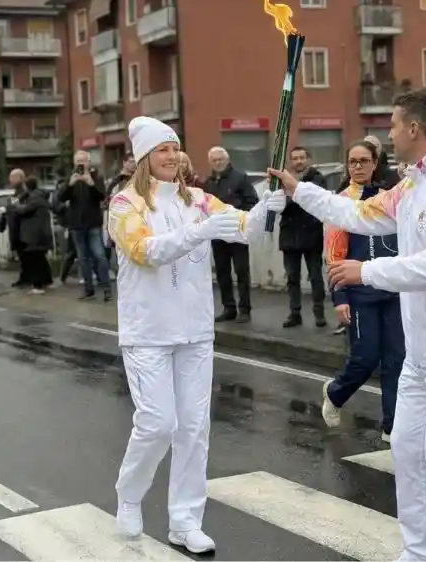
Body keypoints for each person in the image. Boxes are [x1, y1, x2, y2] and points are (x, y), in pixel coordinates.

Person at [268, 88, 426, 562]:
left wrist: (366, 272)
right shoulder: (412, 184)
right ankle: (422, 552)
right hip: (425, 353)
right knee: (407, 449)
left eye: (394, 125)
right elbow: (357, 214)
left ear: (415, 129)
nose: (390, 133)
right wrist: (301, 190)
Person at [108, 116, 284, 554]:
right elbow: (145, 251)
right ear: (144, 158)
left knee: (193, 427)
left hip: (194, 330)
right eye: (162, 150)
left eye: (175, 148)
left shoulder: (200, 200)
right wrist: (199, 232)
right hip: (147, 331)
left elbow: (245, 229)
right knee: (157, 423)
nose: (172, 156)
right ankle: (129, 495)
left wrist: (268, 210)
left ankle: (185, 521)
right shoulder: (124, 204)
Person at [321, 141, 404, 442]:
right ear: (347, 165)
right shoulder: (340, 203)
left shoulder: (387, 198)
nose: (358, 167)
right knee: (366, 358)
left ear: (374, 163)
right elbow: (333, 256)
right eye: (353, 161)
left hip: (391, 290)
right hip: (359, 294)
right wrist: (340, 297)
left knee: (397, 359)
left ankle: (391, 425)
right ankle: (335, 392)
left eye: (364, 161)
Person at [203, 147, 260, 322]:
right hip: (218, 234)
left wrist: (237, 214)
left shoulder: (240, 178)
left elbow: (253, 202)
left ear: (227, 160)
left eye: (220, 159)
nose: (217, 163)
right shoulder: (209, 183)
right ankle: (229, 307)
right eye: (214, 160)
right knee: (222, 272)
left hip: (237, 233)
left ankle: (245, 309)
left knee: (242, 271)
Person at [279, 146, 327, 328]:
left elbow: (317, 201)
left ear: (308, 159)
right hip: (289, 235)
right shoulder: (283, 180)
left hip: (311, 233)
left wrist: (293, 198)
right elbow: (278, 203)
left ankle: (319, 313)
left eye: (302, 157)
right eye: (295, 158)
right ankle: (295, 313)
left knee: (315, 276)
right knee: (292, 277)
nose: (299, 161)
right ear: (291, 161)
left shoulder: (317, 178)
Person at [59, 151, 112, 301]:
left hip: (93, 223)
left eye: (83, 161)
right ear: (74, 163)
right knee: (83, 259)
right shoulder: (71, 177)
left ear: (89, 162)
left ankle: (107, 288)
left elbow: (102, 196)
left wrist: (91, 184)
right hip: (76, 225)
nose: (80, 164)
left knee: (99, 256)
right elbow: (61, 197)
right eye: (78, 161)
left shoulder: (96, 177)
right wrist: (70, 184)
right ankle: (88, 290)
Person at [15, 177, 55, 294]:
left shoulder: (34, 198)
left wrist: (16, 205)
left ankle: (38, 286)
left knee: (34, 259)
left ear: (27, 187)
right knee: (41, 258)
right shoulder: (40, 195)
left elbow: (24, 210)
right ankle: (47, 281)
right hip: (41, 232)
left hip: (35, 234)